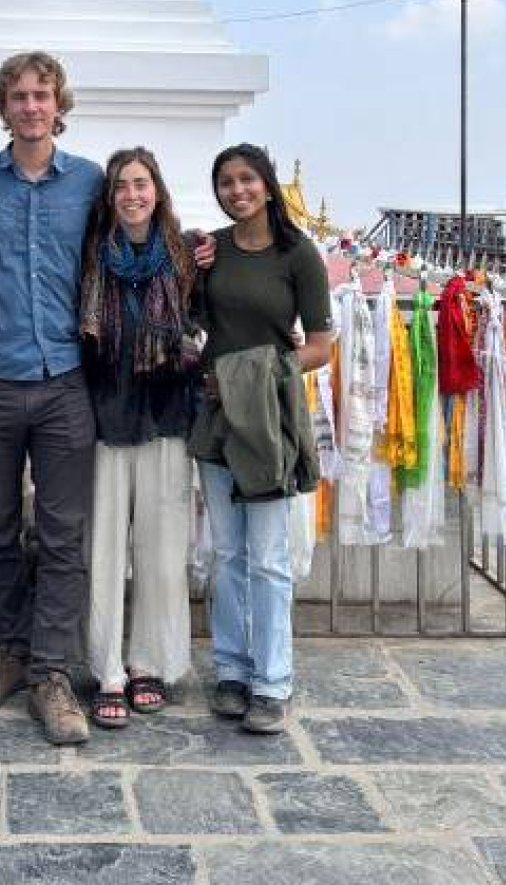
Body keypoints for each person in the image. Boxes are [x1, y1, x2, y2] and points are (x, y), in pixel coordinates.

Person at [0, 51, 102, 746]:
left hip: (67, 380)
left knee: (65, 535)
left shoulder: (92, 183)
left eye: (42, 95)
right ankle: (7, 650)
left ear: (59, 104)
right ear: (3, 106)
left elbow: (130, 250)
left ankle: (52, 673)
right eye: (19, 96)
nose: (31, 106)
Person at [194, 143, 332, 735]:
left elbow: (322, 346)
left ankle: (274, 681)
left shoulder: (298, 254)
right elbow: (193, 324)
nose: (237, 190)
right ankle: (230, 668)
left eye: (247, 179)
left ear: (268, 185)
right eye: (226, 182)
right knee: (226, 554)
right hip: (216, 417)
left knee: (270, 559)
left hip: (269, 419)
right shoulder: (212, 252)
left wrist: (253, 374)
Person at [79, 147, 200, 729]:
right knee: (103, 548)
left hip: (165, 414)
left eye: (141, 183)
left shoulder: (186, 257)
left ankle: (150, 660)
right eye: (122, 185)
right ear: (110, 196)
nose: (132, 194)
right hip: (104, 414)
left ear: (158, 190)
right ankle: (107, 668)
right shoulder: (91, 257)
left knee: (160, 548)